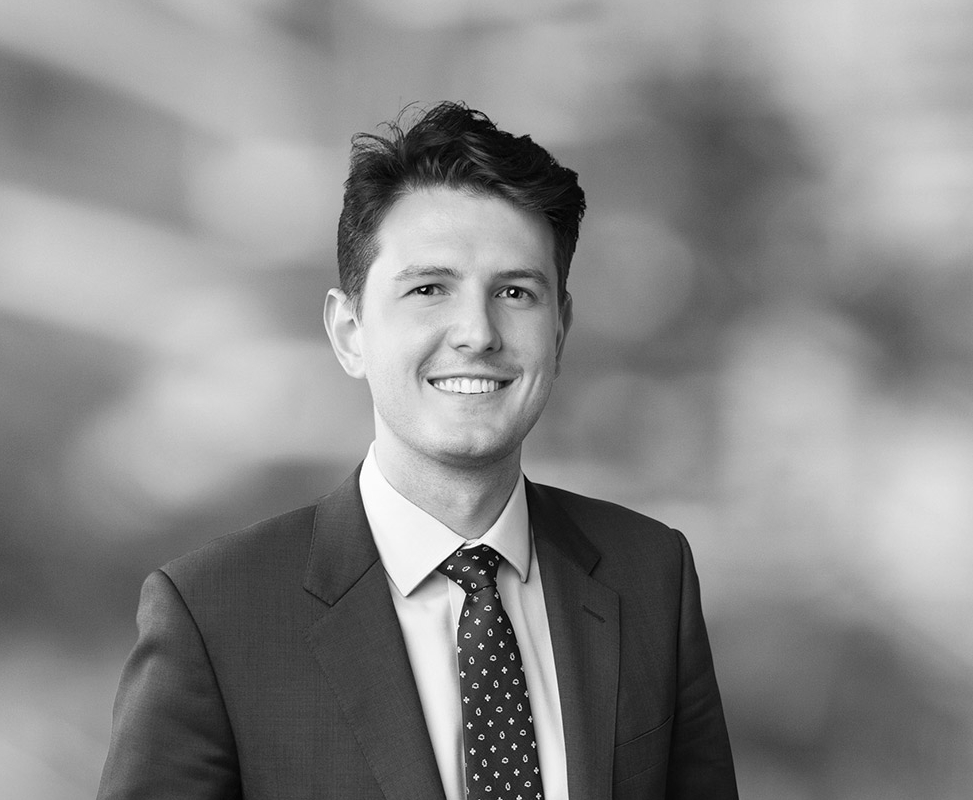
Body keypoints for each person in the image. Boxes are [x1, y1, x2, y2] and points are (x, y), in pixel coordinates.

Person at [96, 102, 738, 800]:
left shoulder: (650, 576)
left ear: (560, 330)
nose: (477, 333)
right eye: (429, 289)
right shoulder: (216, 615)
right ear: (349, 331)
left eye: (516, 292)